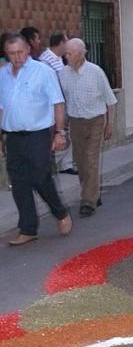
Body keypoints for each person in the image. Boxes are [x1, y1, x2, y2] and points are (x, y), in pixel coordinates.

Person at [0, 33, 72, 245]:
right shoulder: (2, 75)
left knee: (41, 177)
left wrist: (60, 132)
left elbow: (58, 103)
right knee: (19, 182)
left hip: (38, 135)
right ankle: (28, 228)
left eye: (21, 51)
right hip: (13, 136)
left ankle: (60, 212)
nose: (17, 57)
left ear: (28, 49)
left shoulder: (43, 72)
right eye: (12, 53)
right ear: (6, 53)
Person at [58, 38, 117, 217]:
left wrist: (110, 124)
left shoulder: (96, 72)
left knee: (91, 160)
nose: (65, 56)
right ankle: (93, 192)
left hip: (95, 121)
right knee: (81, 161)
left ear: (81, 53)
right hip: (75, 122)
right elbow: (61, 100)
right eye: (65, 53)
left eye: (69, 53)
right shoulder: (63, 74)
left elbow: (110, 101)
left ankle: (88, 202)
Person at [39, 30, 78, 176]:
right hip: (53, 106)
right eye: (66, 42)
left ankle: (64, 165)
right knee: (59, 135)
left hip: (64, 102)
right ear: (61, 43)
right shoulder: (46, 60)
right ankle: (49, 166)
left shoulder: (60, 59)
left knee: (68, 134)